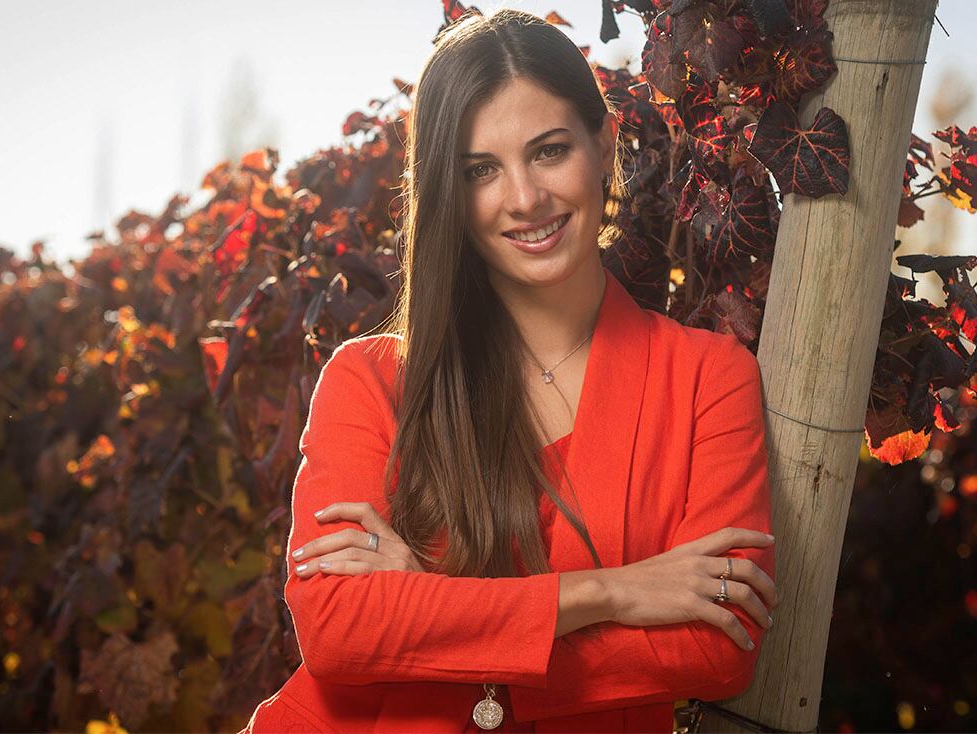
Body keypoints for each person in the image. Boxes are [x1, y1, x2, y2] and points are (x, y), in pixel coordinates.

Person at [243, 8, 778, 733]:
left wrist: (430, 612)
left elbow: (718, 647)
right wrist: (610, 594)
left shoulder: (708, 380)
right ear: (448, 195)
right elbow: (339, 630)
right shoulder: (368, 381)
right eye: (481, 171)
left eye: (550, 151)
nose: (525, 198)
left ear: (604, 143)